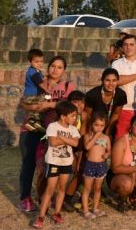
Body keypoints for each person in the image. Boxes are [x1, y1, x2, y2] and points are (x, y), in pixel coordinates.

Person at [32, 56, 78, 200]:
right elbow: (29, 103)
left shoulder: (68, 86)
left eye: (59, 67)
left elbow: (72, 107)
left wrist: (50, 105)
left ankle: (55, 198)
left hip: (60, 132)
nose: (55, 69)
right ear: (48, 67)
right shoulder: (39, 84)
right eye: (53, 66)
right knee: (41, 168)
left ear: (64, 70)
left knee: (58, 167)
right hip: (40, 130)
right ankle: (42, 198)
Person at [33, 101, 80, 229]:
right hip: (54, 162)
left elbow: (76, 143)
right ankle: (41, 217)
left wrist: (62, 138)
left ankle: (57, 213)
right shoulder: (52, 127)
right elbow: (53, 142)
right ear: (63, 116)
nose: (75, 118)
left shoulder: (73, 129)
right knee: (50, 189)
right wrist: (68, 140)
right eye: (72, 116)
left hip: (66, 162)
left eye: (75, 116)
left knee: (61, 188)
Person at [18, 49, 49, 212]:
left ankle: (44, 196)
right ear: (30, 62)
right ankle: (25, 197)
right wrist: (49, 90)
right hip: (31, 102)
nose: (39, 64)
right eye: (37, 61)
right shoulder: (34, 73)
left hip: (45, 129)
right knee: (29, 164)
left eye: (41, 61)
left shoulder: (36, 72)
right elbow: (42, 85)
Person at [81, 113, 111, 219]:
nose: (99, 128)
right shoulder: (87, 136)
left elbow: (109, 150)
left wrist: (107, 154)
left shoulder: (106, 138)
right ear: (91, 125)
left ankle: (95, 208)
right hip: (90, 164)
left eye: (102, 125)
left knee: (98, 188)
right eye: (96, 125)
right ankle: (85, 211)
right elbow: (87, 147)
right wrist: (96, 136)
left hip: (101, 165)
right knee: (87, 188)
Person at [84, 68, 127, 136]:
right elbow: (88, 116)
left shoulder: (121, 94)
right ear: (102, 80)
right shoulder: (92, 94)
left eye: (114, 80)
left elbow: (116, 114)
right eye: (107, 80)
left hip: (110, 126)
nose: (111, 84)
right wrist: (90, 133)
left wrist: (108, 132)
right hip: (93, 127)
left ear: (117, 81)